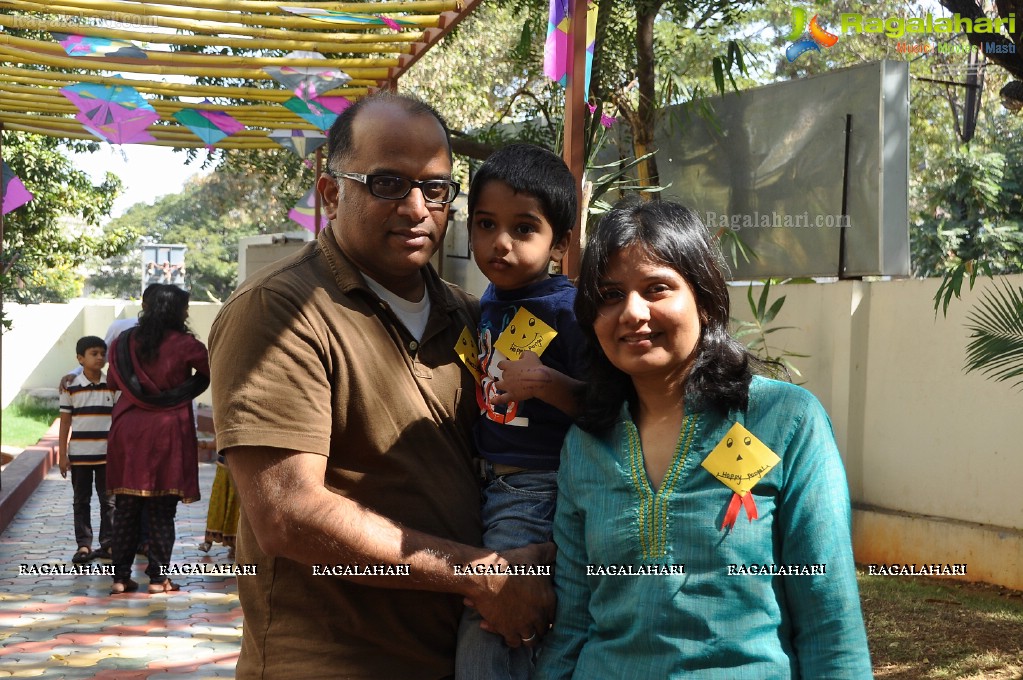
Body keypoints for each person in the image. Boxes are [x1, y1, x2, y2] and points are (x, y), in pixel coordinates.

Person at [208, 92, 555, 680]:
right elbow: (287, 513)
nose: (417, 207)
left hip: (455, 655)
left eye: (437, 188)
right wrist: (479, 572)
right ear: (330, 193)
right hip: (332, 663)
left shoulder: (472, 316)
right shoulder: (281, 310)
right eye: (388, 183)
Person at [534, 199, 873, 679]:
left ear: (706, 300)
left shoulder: (785, 421)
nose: (632, 312)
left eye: (657, 289)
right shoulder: (585, 445)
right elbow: (571, 626)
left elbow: (830, 621)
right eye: (610, 296)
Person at [455, 143, 586, 680]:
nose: (499, 244)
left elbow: (608, 407)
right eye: (485, 224)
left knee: (489, 624)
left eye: (524, 229)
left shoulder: (570, 309)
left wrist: (550, 383)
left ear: (562, 243)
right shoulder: (489, 299)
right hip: (486, 484)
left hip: (535, 490)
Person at [105, 284, 210, 595]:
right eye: (185, 307)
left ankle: (120, 579)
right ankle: (157, 579)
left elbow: (113, 381)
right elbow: (210, 372)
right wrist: (179, 393)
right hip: (168, 429)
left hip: (128, 428)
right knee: (162, 510)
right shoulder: (186, 344)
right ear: (177, 311)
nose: (188, 312)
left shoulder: (123, 342)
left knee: (126, 507)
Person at [57, 336, 118, 564]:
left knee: (109, 502)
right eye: (94, 353)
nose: (100, 358)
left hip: (107, 457)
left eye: (103, 353)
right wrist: (62, 455)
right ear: (80, 358)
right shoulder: (70, 386)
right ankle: (84, 545)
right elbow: (65, 423)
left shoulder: (112, 384)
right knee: (81, 501)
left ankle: (109, 544)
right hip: (80, 456)